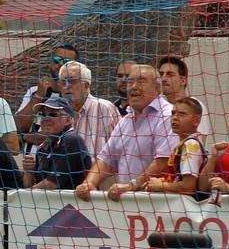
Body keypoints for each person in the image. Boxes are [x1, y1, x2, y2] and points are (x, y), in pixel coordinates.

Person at [75, 64, 177, 201]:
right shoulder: (126, 120)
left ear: (157, 88)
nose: (133, 86)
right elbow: (106, 159)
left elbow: (163, 162)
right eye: (130, 82)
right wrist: (90, 183)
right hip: (127, 204)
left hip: (159, 204)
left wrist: (131, 186)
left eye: (141, 81)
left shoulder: (169, 116)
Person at [22, 95, 92, 190]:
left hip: (73, 203)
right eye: (42, 114)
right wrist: (28, 171)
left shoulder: (71, 140)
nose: (45, 119)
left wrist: (22, 194)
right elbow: (29, 185)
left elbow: (51, 184)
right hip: (51, 202)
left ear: (67, 120)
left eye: (53, 114)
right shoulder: (44, 147)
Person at [141, 96, 205, 196]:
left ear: (196, 120)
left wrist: (161, 186)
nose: (175, 117)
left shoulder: (191, 145)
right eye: (173, 113)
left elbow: (188, 186)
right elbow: (178, 180)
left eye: (181, 114)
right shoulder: (182, 144)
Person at [56, 60, 120, 159]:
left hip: (98, 173)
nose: (66, 86)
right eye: (63, 82)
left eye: (72, 81)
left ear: (86, 85)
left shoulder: (104, 109)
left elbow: (121, 148)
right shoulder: (56, 111)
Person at [14, 43, 80, 135]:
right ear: (50, 63)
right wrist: (38, 95)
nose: (60, 64)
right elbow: (18, 127)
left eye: (66, 62)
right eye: (57, 60)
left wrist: (31, 137)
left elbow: (73, 130)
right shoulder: (34, 91)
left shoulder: (76, 96)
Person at [156, 55, 211, 137]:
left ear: (183, 81)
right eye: (161, 74)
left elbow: (198, 142)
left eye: (170, 75)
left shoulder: (195, 106)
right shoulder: (159, 107)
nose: (163, 78)